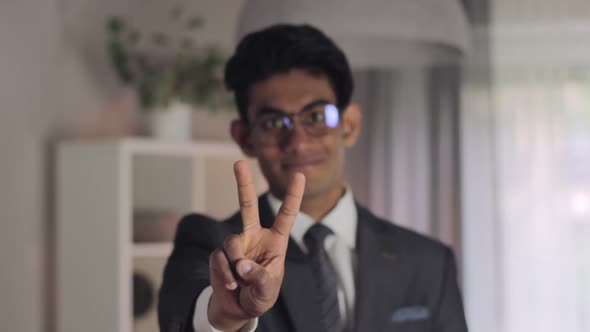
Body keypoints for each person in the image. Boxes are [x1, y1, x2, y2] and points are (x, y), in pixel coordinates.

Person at [158, 24, 468, 332]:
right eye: (272, 123)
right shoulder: (215, 249)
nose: (298, 142)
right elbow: (182, 319)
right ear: (245, 137)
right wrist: (226, 316)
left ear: (349, 124)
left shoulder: (429, 262)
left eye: (315, 117)